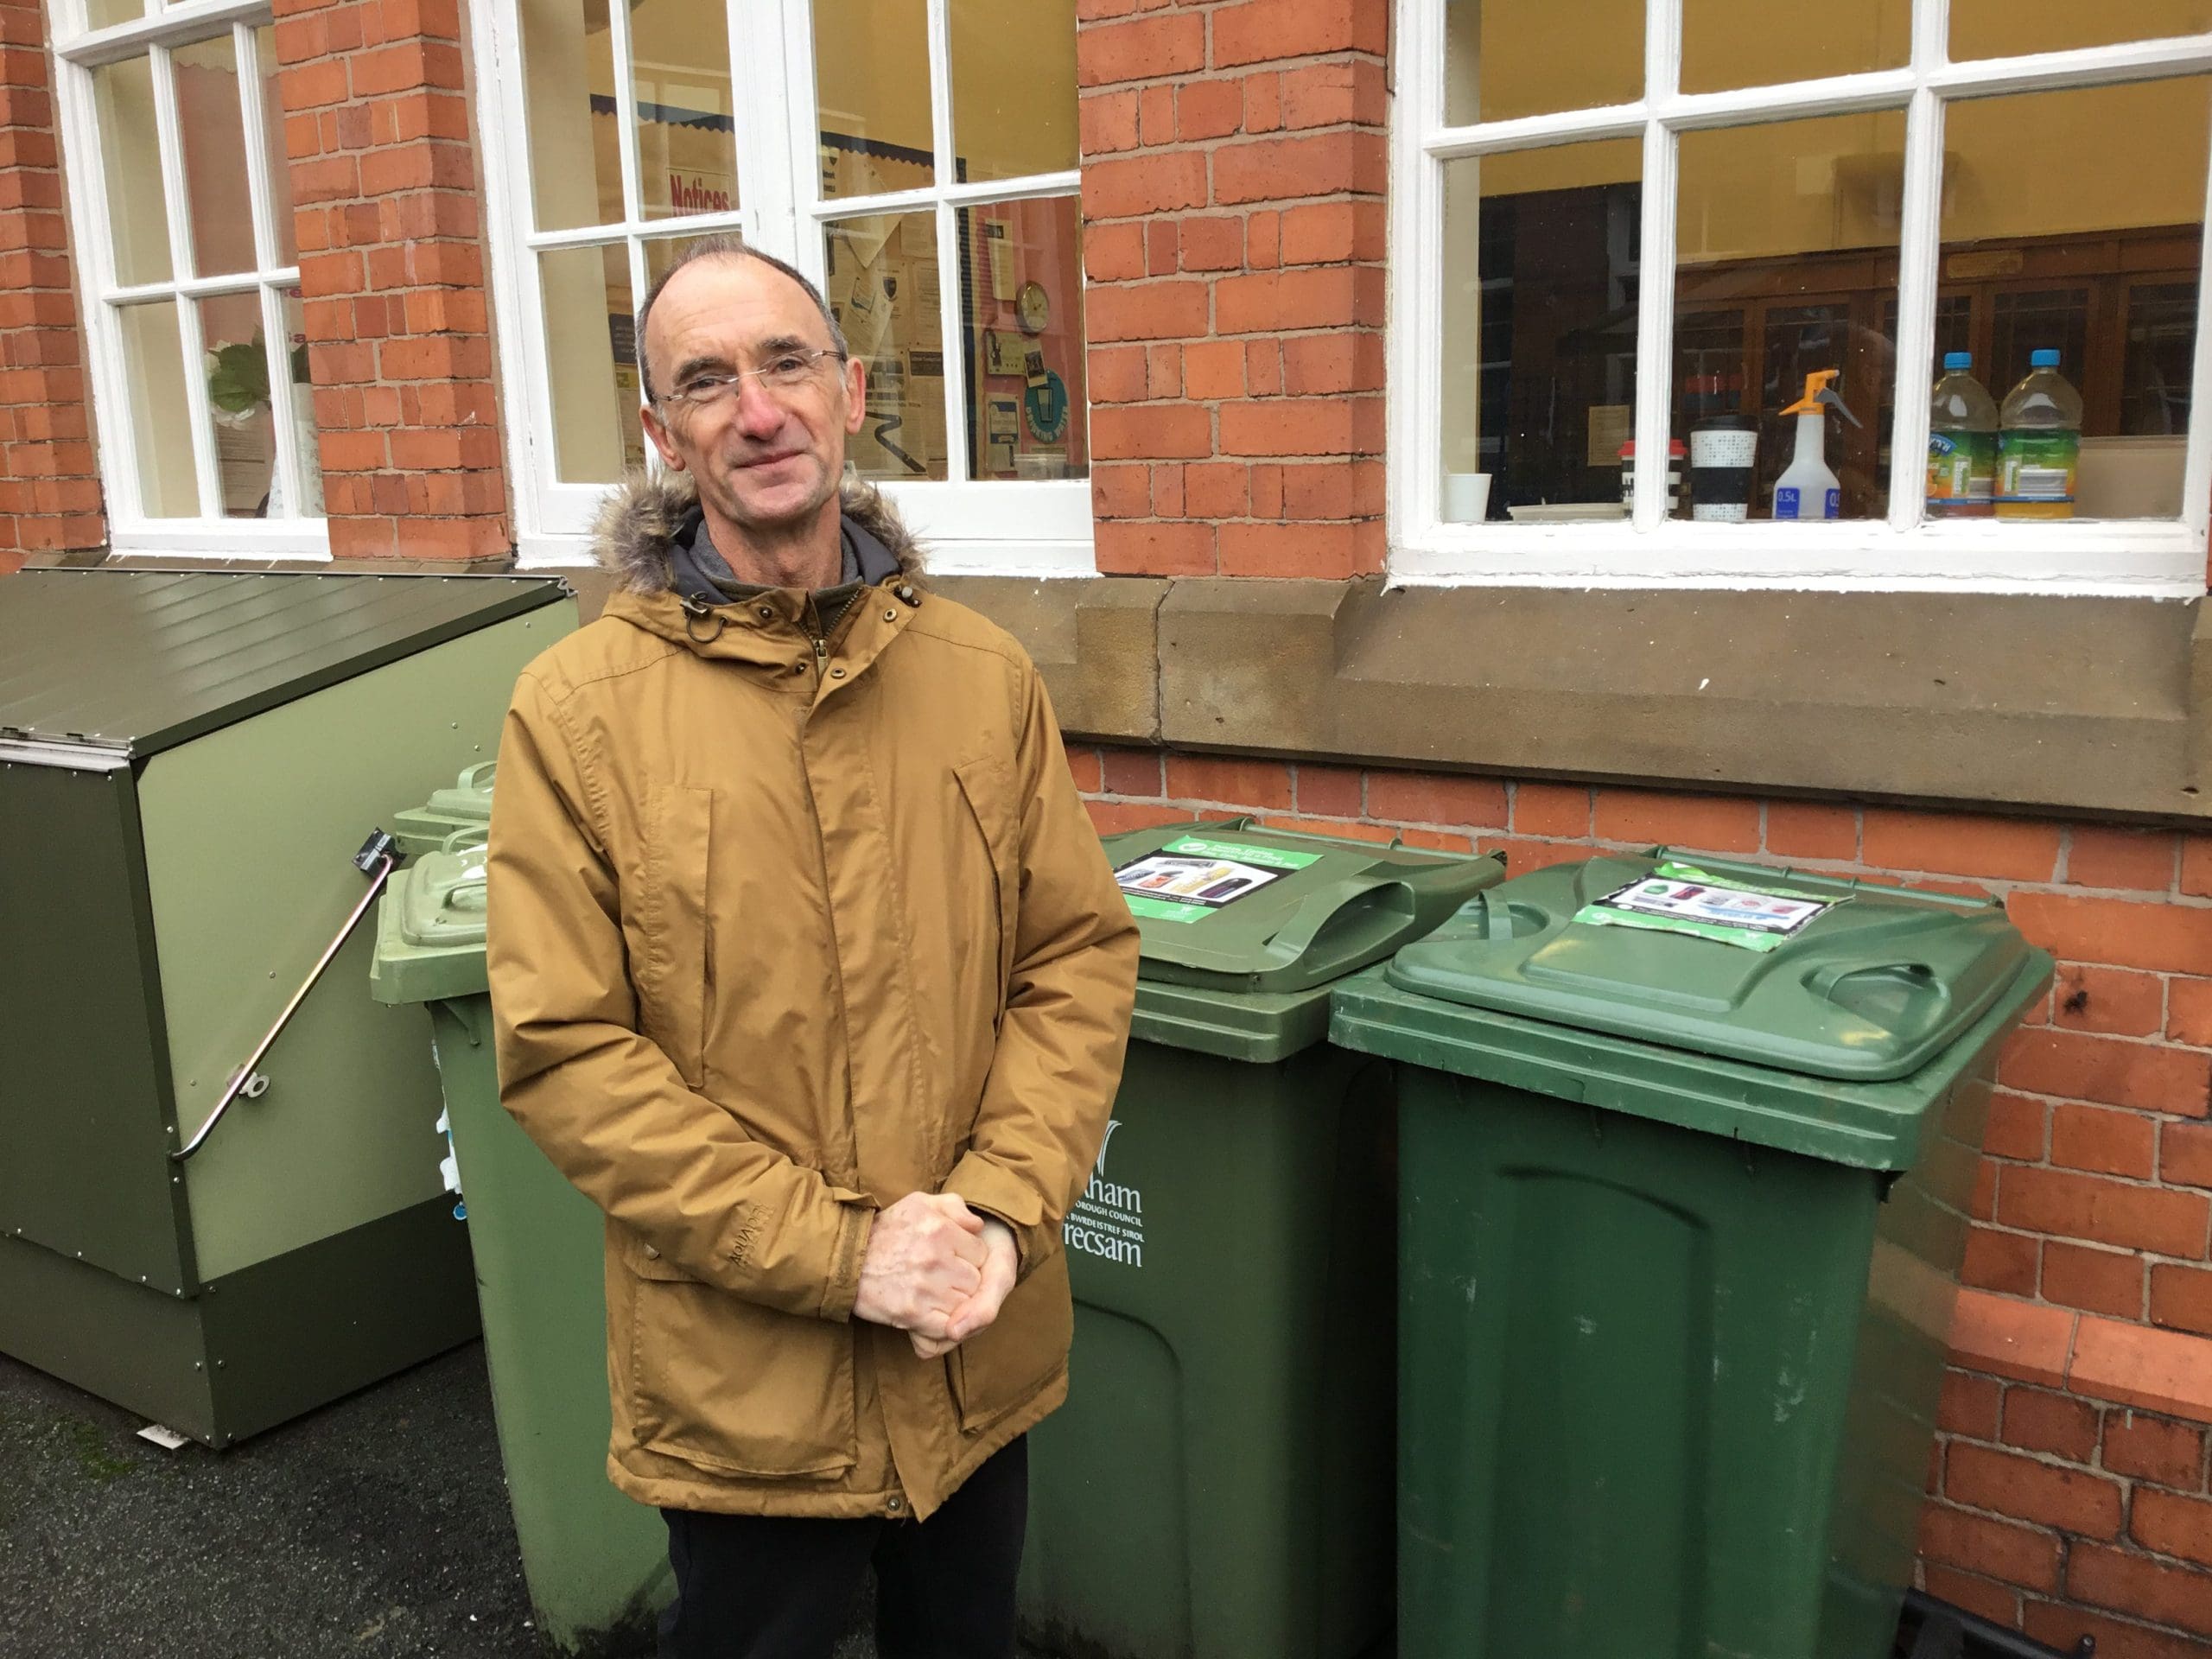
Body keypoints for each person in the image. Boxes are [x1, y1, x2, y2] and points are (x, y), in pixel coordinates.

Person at [485, 234, 1139, 1659]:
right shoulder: (576, 711)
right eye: (706, 381)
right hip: (745, 1378)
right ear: (663, 435)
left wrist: (999, 1218)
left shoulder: (982, 678)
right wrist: (843, 1256)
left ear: (849, 389)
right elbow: (565, 1052)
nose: (758, 410)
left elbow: (1074, 961)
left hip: (967, 1340)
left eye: (785, 363)